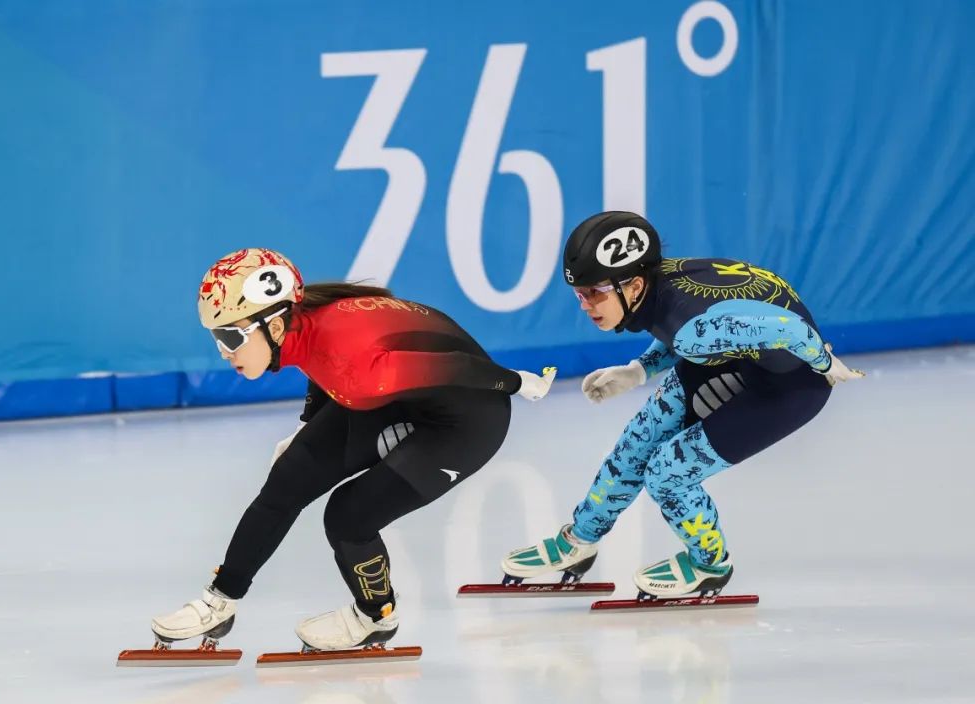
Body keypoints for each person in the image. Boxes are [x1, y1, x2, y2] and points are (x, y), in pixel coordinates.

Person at [151, 248, 556, 651]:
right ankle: (220, 602)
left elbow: (455, 367)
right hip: (399, 394)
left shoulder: (358, 369)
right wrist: (305, 429)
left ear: (273, 326)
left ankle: (375, 616)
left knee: (349, 516)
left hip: (467, 422)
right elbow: (319, 365)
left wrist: (519, 382)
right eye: (216, 337)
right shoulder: (303, 324)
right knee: (287, 479)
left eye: (230, 336)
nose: (224, 352)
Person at [501, 211, 863, 599]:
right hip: (737, 357)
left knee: (667, 472)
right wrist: (639, 370)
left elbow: (786, 329)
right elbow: (695, 324)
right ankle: (580, 540)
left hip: (790, 386)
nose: (586, 305)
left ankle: (710, 565)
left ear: (634, 285)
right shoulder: (660, 288)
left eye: (595, 292)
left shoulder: (691, 329)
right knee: (637, 443)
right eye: (580, 294)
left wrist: (824, 362)